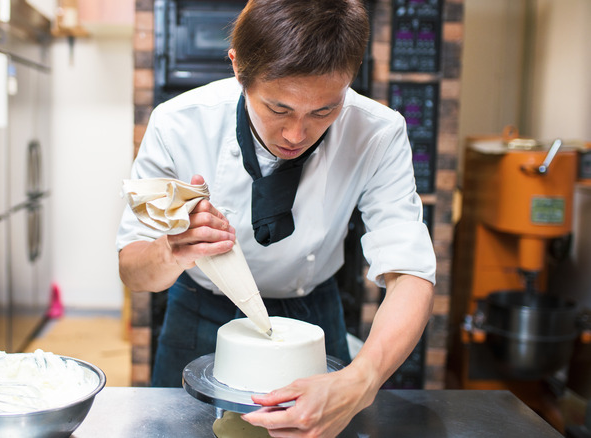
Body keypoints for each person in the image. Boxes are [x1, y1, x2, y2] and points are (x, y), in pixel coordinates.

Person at [116, 0, 436, 435]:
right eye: (278, 108)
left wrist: (362, 379)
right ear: (237, 67)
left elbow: (411, 273)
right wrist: (170, 251)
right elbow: (132, 269)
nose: (295, 134)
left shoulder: (378, 132)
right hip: (200, 310)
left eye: (324, 110)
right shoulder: (179, 124)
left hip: (313, 314)